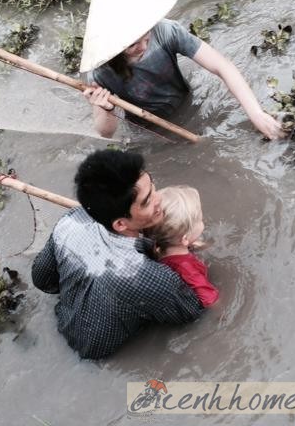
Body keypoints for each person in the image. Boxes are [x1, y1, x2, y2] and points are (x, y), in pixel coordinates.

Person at [32, 149, 203, 359]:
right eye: (148, 201)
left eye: (153, 185)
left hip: (62, 317)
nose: (160, 199)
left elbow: (41, 280)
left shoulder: (71, 221)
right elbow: (192, 313)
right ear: (121, 223)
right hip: (97, 352)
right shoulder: (150, 277)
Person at [79, 0, 284, 140]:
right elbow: (105, 132)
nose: (143, 46)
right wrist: (107, 109)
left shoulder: (166, 31)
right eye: (133, 45)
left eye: (146, 37)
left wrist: (256, 113)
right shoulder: (101, 72)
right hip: (149, 128)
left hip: (186, 101)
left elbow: (222, 66)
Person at [146, 186, 219, 307]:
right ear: (184, 238)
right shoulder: (187, 268)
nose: (203, 221)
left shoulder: (158, 246)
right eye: (200, 220)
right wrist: (220, 309)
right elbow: (209, 299)